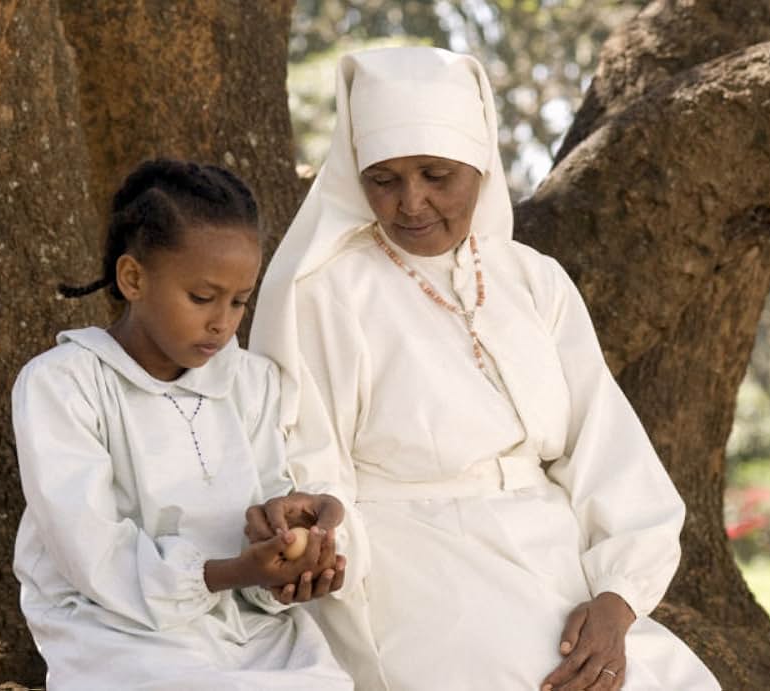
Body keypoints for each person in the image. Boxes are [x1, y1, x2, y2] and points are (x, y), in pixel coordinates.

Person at [249, 47, 722, 691]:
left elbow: (605, 448)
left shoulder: (533, 278)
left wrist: (618, 599)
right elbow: (312, 463)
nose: (410, 203)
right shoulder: (329, 288)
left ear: (481, 164)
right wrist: (328, 548)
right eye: (383, 179)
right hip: (413, 565)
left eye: (436, 174)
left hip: (553, 554)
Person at [11, 159, 353, 690]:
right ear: (133, 278)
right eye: (201, 298)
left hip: (248, 628)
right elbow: (90, 551)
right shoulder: (62, 384)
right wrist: (233, 572)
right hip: (117, 628)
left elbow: (267, 504)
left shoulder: (251, 382)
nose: (222, 321)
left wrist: (295, 545)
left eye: (240, 301)